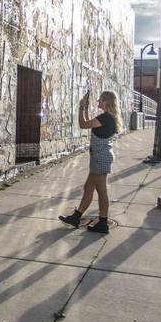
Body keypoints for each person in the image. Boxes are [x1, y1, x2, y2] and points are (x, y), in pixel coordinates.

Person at [59, 89, 123, 235]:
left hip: (101, 157)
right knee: (89, 187)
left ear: (106, 101)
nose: (98, 101)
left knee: (101, 191)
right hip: (100, 156)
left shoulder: (106, 118)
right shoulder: (107, 117)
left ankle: (103, 222)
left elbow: (83, 124)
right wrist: (85, 108)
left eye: (100, 99)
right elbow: (89, 123)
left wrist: (81, 107)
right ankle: (76, 217)